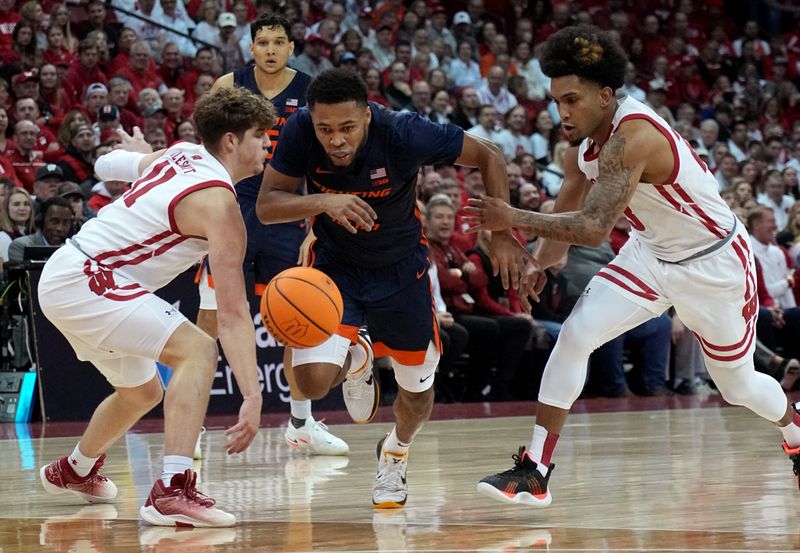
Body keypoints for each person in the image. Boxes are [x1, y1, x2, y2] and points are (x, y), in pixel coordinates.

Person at [466, 25, 800, 506]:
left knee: (737, 384)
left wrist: (510, 217)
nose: (562, 112)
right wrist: (540, 265)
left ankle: (793, 429)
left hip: (713, 263)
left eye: (573, 100)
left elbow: (594, 229)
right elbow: (563, 225)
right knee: (575, 334)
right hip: (650, 253)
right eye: (556, 100)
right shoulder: (579, 148)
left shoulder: (634, 136)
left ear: (605, 96)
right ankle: (534, 470)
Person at [257, 68, 525, 508]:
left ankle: (395, 454)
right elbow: (268, 206)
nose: (335, 139)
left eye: (346, 128)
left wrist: (499, 232)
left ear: (367, 115)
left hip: (402, 271)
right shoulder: (300, 130)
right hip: (334, 267)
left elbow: (490, 154)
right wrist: (325, 201)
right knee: (310, 381)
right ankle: (357, 353)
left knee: (417, 395)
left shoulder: (404, 132)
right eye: (326, 129)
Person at [37, 86, 273, 527]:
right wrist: (253, 394)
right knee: (199, 349)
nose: (267, 144)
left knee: (143, 392)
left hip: (70, 273)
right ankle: (172, 489)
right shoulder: (221, 205)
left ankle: (75, 469)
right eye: (260, 135)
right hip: (88, 278)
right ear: (230, 141)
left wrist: (137, 154)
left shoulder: (180, 153)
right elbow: (233, 313)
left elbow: (106, 165)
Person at [194, 14, 348, 457]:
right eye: (263, 42)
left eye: (279, 42)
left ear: (292, 48)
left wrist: (315, 225)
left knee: (298, 320)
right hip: (232, 207)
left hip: (285, 211)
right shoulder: (228, 84)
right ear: (251, 48)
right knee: (208, 320)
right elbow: (205, 150)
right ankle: (196, 421)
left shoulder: (312, 91)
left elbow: (326, 162)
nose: (271, 50)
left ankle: (301, 423)